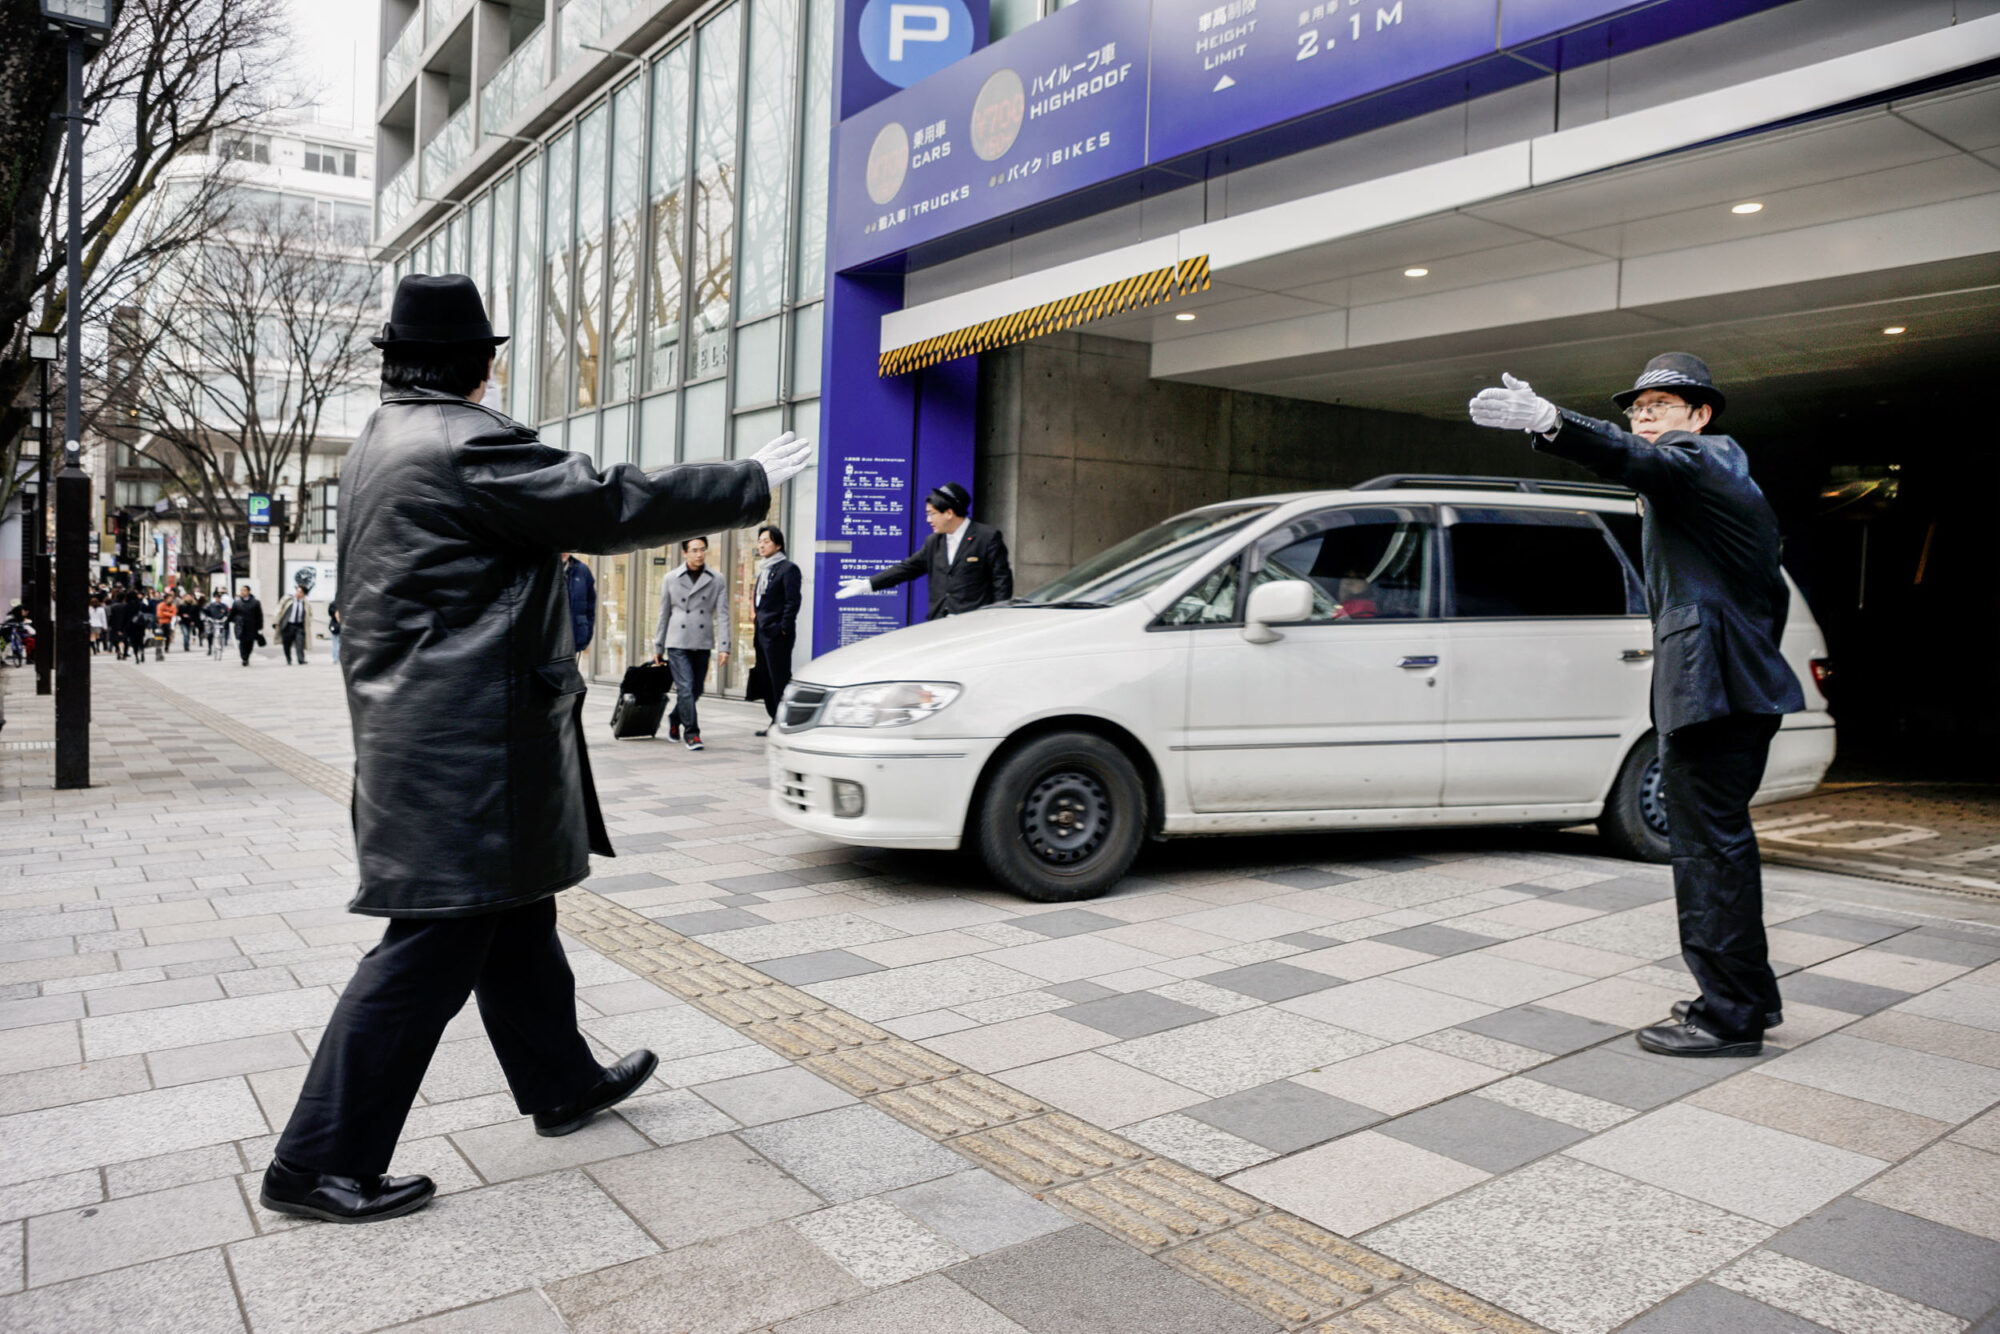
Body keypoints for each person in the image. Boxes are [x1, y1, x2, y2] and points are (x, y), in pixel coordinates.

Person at [260, 272, 811, 1225]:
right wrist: (748, 480)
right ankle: (315, 1162)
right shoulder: (463, 443)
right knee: (434, 943)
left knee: (514, 916)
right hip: (469, 739)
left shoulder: (381, 442)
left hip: (429, 727)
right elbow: (605, 501)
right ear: (480, 364)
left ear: (398, 359)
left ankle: (560, 1082)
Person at [1469, 353, 1803, 1058]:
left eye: (1663, 403)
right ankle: (1748, 995)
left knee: (1709, 852)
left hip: (1715, 691)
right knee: (1720, 846)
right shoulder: (1706, 481)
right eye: (1638, 406)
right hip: (1731, 686)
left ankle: (1728, 1017)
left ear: (1700, 414)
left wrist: (1555, 422)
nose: (1645, 415)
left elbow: (1638, 461)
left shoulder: (1701, 460)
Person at [835, 481, 1012, 619]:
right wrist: (868, 584)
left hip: (973, 624)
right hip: (938, 624)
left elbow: (1001, 581)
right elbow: (907, 568)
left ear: (949, 513)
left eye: (932, 513)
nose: (928, 519)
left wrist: (997, 616)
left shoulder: (986, 537)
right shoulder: (934, 541)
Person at [652, 535, 726, 751]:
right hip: (677, 641)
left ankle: (675, 719)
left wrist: (724, 645)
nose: (699, 554)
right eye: (694, 550)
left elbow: (722, 614)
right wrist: (658, 646)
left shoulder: (717, 579)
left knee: (697, 689)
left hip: (702, 641)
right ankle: (692, 733)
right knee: (685, 688)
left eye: (702, 549)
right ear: (685, 552)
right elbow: (663, 614)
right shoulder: (671, 578)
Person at [750, 523, 802, 737]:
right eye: (760, 541)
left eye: (766, 541)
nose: (762, 546)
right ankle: (774, 720)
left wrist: (783, 628)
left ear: (778, 544)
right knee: (766, 678)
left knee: (779, 678)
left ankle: (784, 721)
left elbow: (793, 601)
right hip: (761, 632)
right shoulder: (764, 569)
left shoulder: (788, 569)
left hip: (776, 634)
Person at [562, 553, 595, 659]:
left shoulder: (582, 570)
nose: (564, 552)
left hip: (574, 637)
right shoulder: (545, 568)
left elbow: (591, 607)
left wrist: (586, 632)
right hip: (549, 640)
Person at [276, 584, 313, 664]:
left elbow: (309, 615)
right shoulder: (288, 600)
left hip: (299, 626)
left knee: (300, 643)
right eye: (297, 591)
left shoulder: (306, 603)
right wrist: (276, 621)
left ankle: (301, 659)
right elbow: (279, 610)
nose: (298, 593)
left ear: (304, 594)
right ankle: (288, 659)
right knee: (286, 644)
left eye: (300, 592)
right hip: (288, 625)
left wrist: (308, 623)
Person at [228, 585, 263, 666]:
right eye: (241, 590)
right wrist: (232, 621)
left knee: (250, 644)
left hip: (252, 627)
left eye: (244, 590)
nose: (242, 592)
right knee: (242, 643)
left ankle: (247, 657)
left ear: (248, 591)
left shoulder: (255, 602)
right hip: (241, 627)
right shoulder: (237, 603)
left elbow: (259, 615)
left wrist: (260, 627)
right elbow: (232, 614)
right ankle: (244, 658)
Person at [203, 592, 229, 657]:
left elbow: (227, 614)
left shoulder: (224, 606)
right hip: (212, 622)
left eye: (219, 598)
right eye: (216, 598)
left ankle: (221, 645)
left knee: (220, 634)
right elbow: (206, 612)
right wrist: (208, 618)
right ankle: (209, 648)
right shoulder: (211, 605)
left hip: (220, 622)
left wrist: (225, 618)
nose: (218, 599)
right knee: (210, 635)